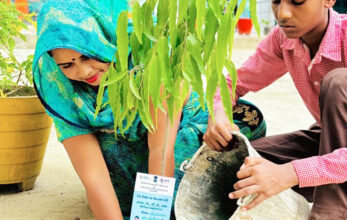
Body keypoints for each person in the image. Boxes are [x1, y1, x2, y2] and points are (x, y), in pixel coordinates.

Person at [32, 0, 266, 219]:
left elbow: (160, 149)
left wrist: (151, 215)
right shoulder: (58, 89)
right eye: (67, 65)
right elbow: (94, 176)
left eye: (89, 56)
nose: (83, 72)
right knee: (111, 160)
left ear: (109, 36)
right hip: (126, 152)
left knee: (225, 133)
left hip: (175, 135)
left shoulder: (151, 55)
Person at [203, 0, 347, 219]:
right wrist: (218, 114)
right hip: (331, 137)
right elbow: (231, 84)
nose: (283, 14)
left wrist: (288, 174)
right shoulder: (283, 39)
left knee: (341, 81)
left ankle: (337, 211)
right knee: (240, 169)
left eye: (298, 1)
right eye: (276, 1)